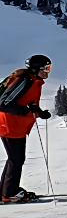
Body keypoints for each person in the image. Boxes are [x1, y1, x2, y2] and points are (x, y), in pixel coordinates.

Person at [0, 55, 52, 203]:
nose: (48, 72)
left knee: (14, 159)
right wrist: (26, 110)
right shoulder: (24, 81)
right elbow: (3, 103)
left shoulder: (32, 80)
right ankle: (9, 193)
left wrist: (39, 112)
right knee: (16, 159)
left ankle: (6, 191)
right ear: (36, 69)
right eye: (46, 68)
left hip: (16, 125)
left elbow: (26, 103)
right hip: (10, 125)